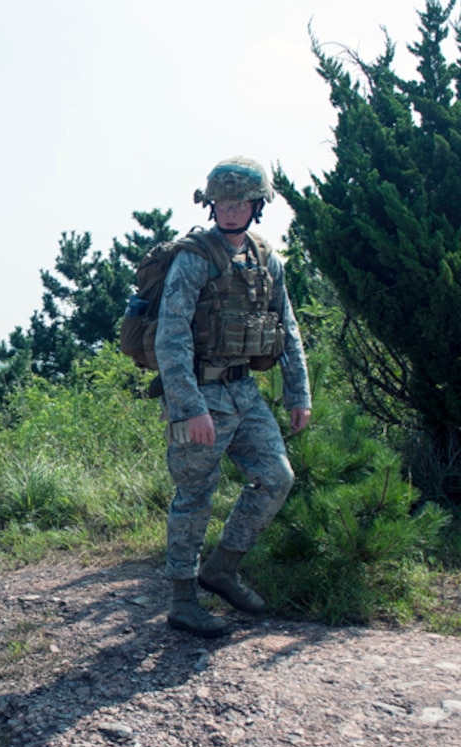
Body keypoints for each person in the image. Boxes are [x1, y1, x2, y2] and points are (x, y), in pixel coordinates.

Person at [155, 156, 312, 637]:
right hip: (199, 393)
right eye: (222, 202)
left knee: (276, 477)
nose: (229, 209)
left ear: (256, 205)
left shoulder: (265, 258)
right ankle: (183, 599)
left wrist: (298, 392)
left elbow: (286, 325)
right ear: (211, 204)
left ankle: (222, 568)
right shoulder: (194, 258)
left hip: (244, 391)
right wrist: (191, 407)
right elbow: (171, 337)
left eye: (239, 202)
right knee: (194, 496)